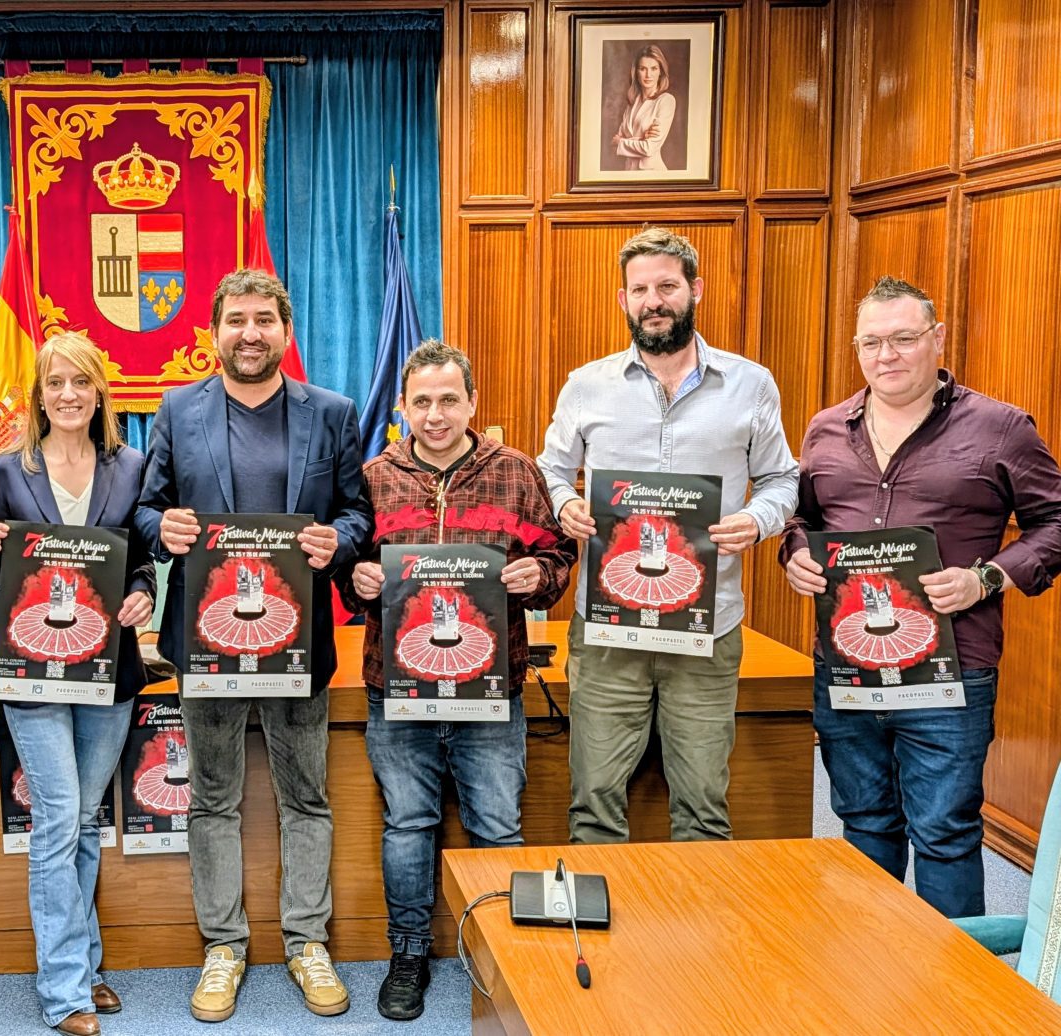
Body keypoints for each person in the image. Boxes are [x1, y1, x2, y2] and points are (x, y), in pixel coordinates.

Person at [780, 275, 1061, 918]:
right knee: (863, 828)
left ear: (936, 339)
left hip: (951, 671)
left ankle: (954, 997)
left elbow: (1057, 521)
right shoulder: (826, 429)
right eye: (872, 342)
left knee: (945, 833)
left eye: (904, 339)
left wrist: (986, 578)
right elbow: (802, 520)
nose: (888, 356)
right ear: (857, 348)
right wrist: (795, 553)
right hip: (847, 666)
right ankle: (871, 979)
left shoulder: (1000, 427)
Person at [138, 268, 373, 1022]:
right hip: (207, 640)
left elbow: (359, 514)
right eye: (236, 319)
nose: (250, 332)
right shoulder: (177, 409)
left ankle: (308, 941)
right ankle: (223, 947)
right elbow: (146, 507)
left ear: (286, 330)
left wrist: (337, 537)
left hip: (299, 638)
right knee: (212, 798)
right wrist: (162, 530)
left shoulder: (331, 412)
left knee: (307, 795)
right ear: (214, 333)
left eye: (264, 320)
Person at [337, 340, 576, 1020]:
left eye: (448, 400)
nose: (435, 414)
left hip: (492, 689)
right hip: (398, 688)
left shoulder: (517, 472)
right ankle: (408, 952)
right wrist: (356, 584)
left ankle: (501, 954)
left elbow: (560, 554)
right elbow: (349, 571)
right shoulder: (372, 478)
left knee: (497, 828)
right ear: (403, 408)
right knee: (407, 825)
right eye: (421, 402)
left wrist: (542, 578)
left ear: (472, 402)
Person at [537, 226, 799, 845]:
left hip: (707, 629)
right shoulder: (586, 384)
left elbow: (782, 478)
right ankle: (596, 945)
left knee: (704, 807)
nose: (654, 300)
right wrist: (568, 503)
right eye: (640, 289)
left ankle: (698, 943)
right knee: (593, 801)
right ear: (623, 300)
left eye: (667, 287)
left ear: (694, 290)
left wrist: (756, 521)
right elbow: (548, 468)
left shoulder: (750, 383)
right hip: (607, 627)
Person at [0, 333, 156, 1036]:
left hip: (110, 668)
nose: (69, 395)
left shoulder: (131, 465)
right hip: (33, 669)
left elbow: (139, 562)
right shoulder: (6, 468)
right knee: (55, 819)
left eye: (81, 382)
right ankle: (65, 992)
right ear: (38, 394)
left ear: (100, 390)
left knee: (82, 820)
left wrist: (142, 593)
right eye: (55, 383)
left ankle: (85, 964)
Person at [611, 44, 676, 171]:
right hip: (628, 174)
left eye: (654, 68)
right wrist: (641, 138)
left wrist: (622, 142)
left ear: (660, 72)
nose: (648, 75)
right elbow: (613, 147)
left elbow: (648, 149)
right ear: (636, 72)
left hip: (653, 176)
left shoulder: (666, 100)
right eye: (643, 69)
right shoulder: (632, 103)